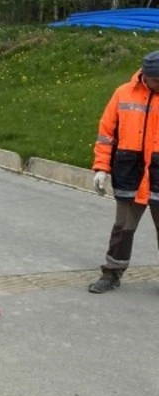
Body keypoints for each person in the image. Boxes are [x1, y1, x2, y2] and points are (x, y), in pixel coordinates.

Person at [89, 51, 159, 293]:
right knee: (123, 227)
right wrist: (101, 168)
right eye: (156, 81)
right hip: (130, 171)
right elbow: (106, 133)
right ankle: (111, 274)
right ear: (144, 77)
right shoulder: (123, 94)